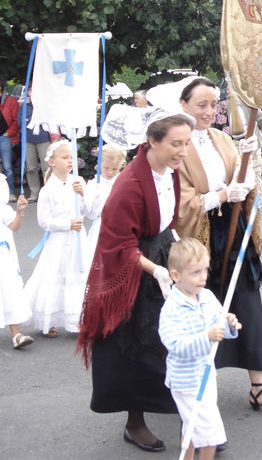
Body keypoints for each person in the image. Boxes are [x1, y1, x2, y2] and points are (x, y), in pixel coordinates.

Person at [177, 77, 262, 416]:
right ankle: (197, 392)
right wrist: (219, 195)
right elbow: (177, 200)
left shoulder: (222, 139)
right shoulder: (177, 143)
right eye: (201, 104)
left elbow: (243, 182)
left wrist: (244, 187)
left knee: (246, 306)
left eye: (213, 105)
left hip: (231, 229)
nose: (209, 111)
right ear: (183, 105)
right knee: (200, 315)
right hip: (198, 238)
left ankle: (259, 386)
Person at [78, 113, 194, 453]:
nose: (183, 151)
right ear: (153, 142)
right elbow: (119, 245)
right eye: (176, 143)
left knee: (172, 338)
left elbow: (169, 219)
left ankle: (186, 412)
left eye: (186, 143)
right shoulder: (128, 184)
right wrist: (155, 270)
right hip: (132, 268)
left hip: (161, 254)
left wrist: (177, 254)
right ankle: (135, 420)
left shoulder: (169, 172)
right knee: (135, 343)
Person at [159, 238, 242, 460]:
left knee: (192, 427)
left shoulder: (206, 297)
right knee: (211, 432)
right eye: (195, 272)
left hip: (206, 374)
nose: (203, 277)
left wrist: (229, 323)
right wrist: (206, 337)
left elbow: (219, 319)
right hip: (185, 381)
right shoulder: (171, 309)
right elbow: (175, 345)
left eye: (205, 270)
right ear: (176, 276)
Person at [24, 140, 89, 337]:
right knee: (55, 276)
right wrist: (67, 224)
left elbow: (86, 210)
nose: (70, 161)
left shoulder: (78, 183)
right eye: (64, 157)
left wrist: (83, 194)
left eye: (71, 157)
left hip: (77, 239)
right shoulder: (47, 190)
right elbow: (44, 221)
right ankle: (49, 319)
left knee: (77, 277)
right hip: (59, 241)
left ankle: (78, 319)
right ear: (51, 162)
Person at [0, 172, 34, 350]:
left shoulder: (2, 208)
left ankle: (17, 334)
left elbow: (13, 227)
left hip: (2, 255)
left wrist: (20, 213)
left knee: (9, 290)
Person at [84, 144, 126, 266]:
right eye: (106, 168)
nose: (110, 172)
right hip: (102, 226)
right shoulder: (94, 184)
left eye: (114, 169)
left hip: (121, 226)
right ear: (100, 164)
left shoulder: (123, 182)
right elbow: (91, 214)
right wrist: (95, 198)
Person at [17, 83, 51, 203]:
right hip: (28, 140)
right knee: (30, 167)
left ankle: (49, 193)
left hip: (44, 138)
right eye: (30, 90)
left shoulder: (46, 106)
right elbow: (20, 122)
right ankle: (34, 193)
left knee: (46, 167)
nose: (32, 92)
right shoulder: (24, 107)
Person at [0, 78, 20, 200]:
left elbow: (16, 120)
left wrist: (9, 133)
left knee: (7, 167)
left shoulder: (11, 101)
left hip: (4, 137)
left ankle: (11, 193)